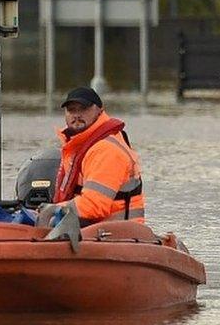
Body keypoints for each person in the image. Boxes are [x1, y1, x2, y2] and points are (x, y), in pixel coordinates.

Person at [41, 87, 145, 227]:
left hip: (119, 233)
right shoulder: (78, 147)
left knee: (50, 220)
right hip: (95, 230)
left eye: (83, 109)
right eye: (71, 110)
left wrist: (53, 210)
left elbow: (95, 205)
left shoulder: (106, 150)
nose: (77, 115)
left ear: (100, 111)